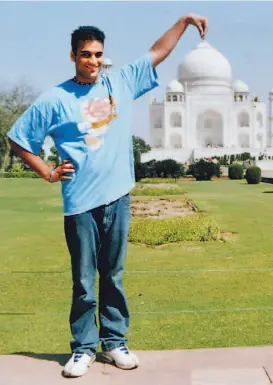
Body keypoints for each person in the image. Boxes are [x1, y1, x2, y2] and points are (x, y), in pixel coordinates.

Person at [7, 14, 208, 378]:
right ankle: (83, 348)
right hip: (80, 203)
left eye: (99, 54)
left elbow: (156, 52)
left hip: (118, 198)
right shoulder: (55, 99)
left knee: (112, 275)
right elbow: (18, 139)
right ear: (73, 56)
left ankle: (114, 342)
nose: (94, 61)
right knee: (84, 280)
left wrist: (184, 21)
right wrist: (48, 172)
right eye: (86, 55)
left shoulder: (121, 83)